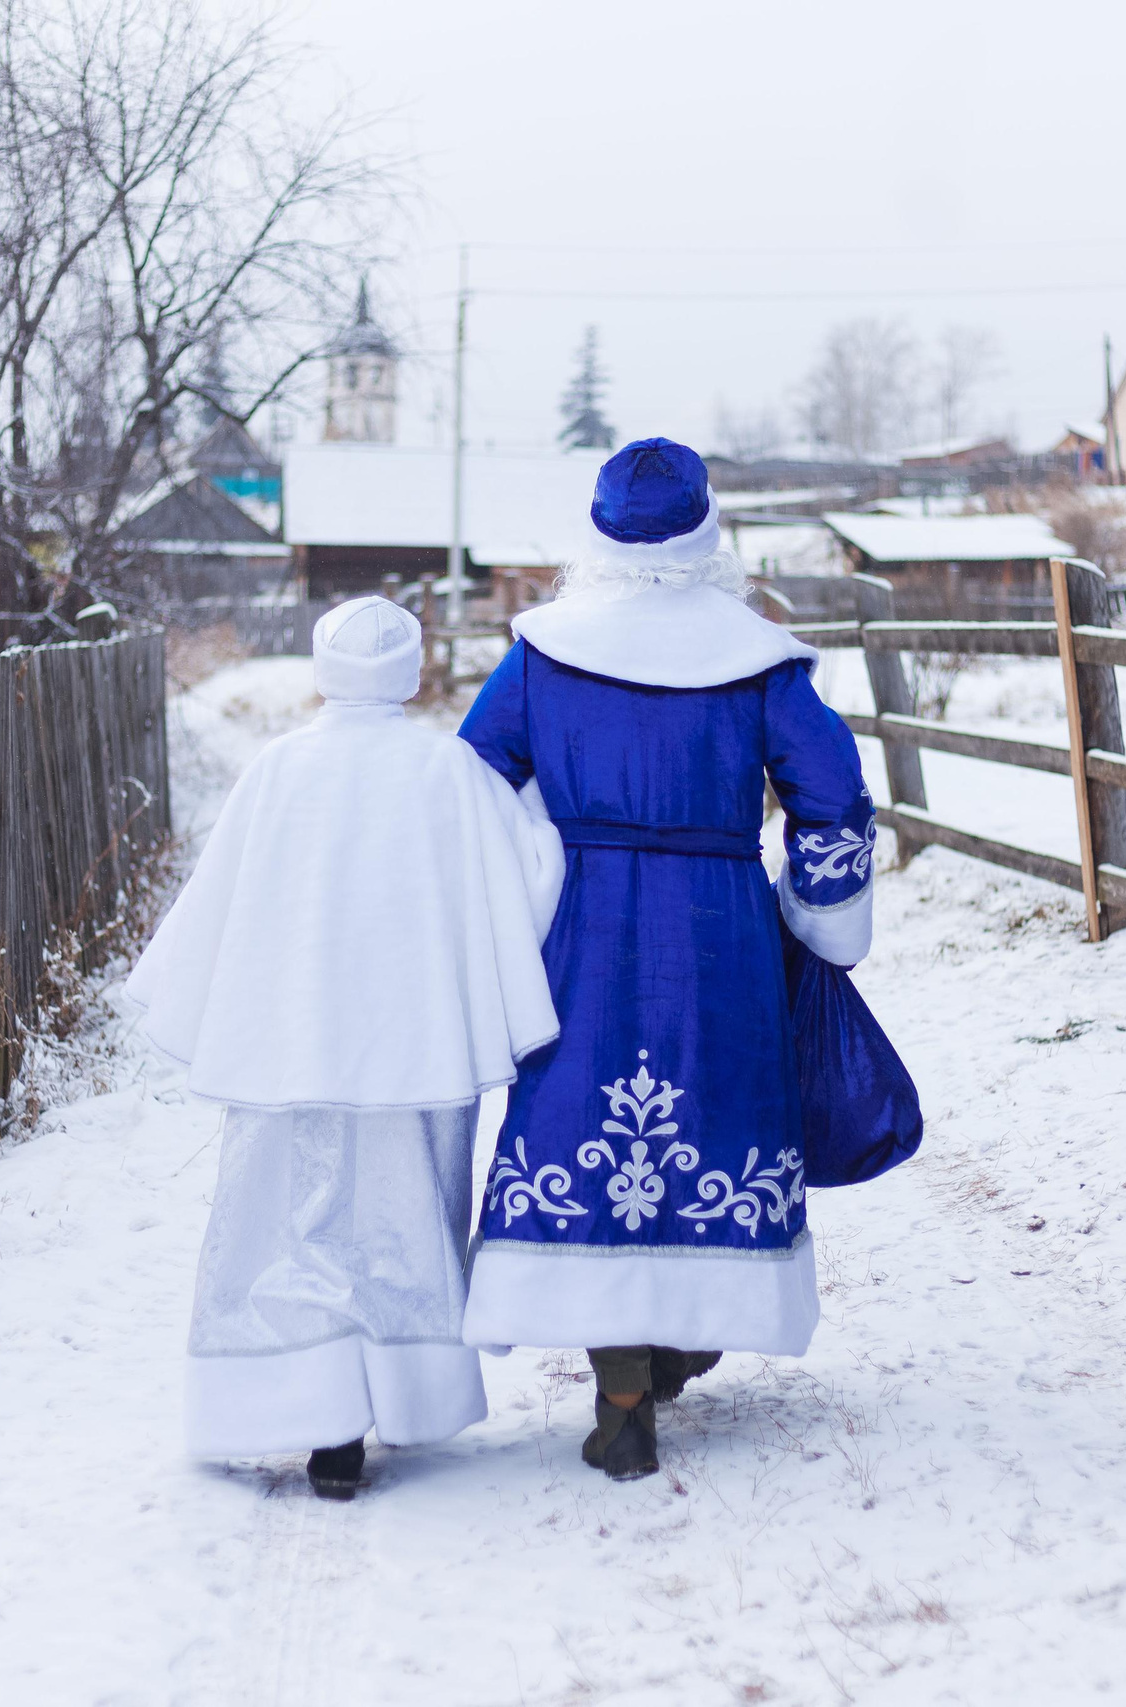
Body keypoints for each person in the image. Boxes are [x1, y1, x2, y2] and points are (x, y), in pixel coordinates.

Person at [457, 438, 875, 1481]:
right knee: (715, 1114)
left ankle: (625, 1387)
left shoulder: (543, 654)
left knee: (586, 1117)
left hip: (582, 933)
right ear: (707, 534)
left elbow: (467, 787)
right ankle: (684, 1334)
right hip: (718, 931)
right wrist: (817, 910)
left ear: (596, 535)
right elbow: (831, 798)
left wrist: (531, 875)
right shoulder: (758, 660)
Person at [121, 596, 565, 1499]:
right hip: (419, 1042)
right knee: (404, 1219)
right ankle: (381, 1401)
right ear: (407, 671)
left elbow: (222, 900)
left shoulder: (278, 770)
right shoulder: (452, 772)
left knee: (289, 1215)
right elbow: (530, 875)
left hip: (293, 1040)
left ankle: (299, 1403)